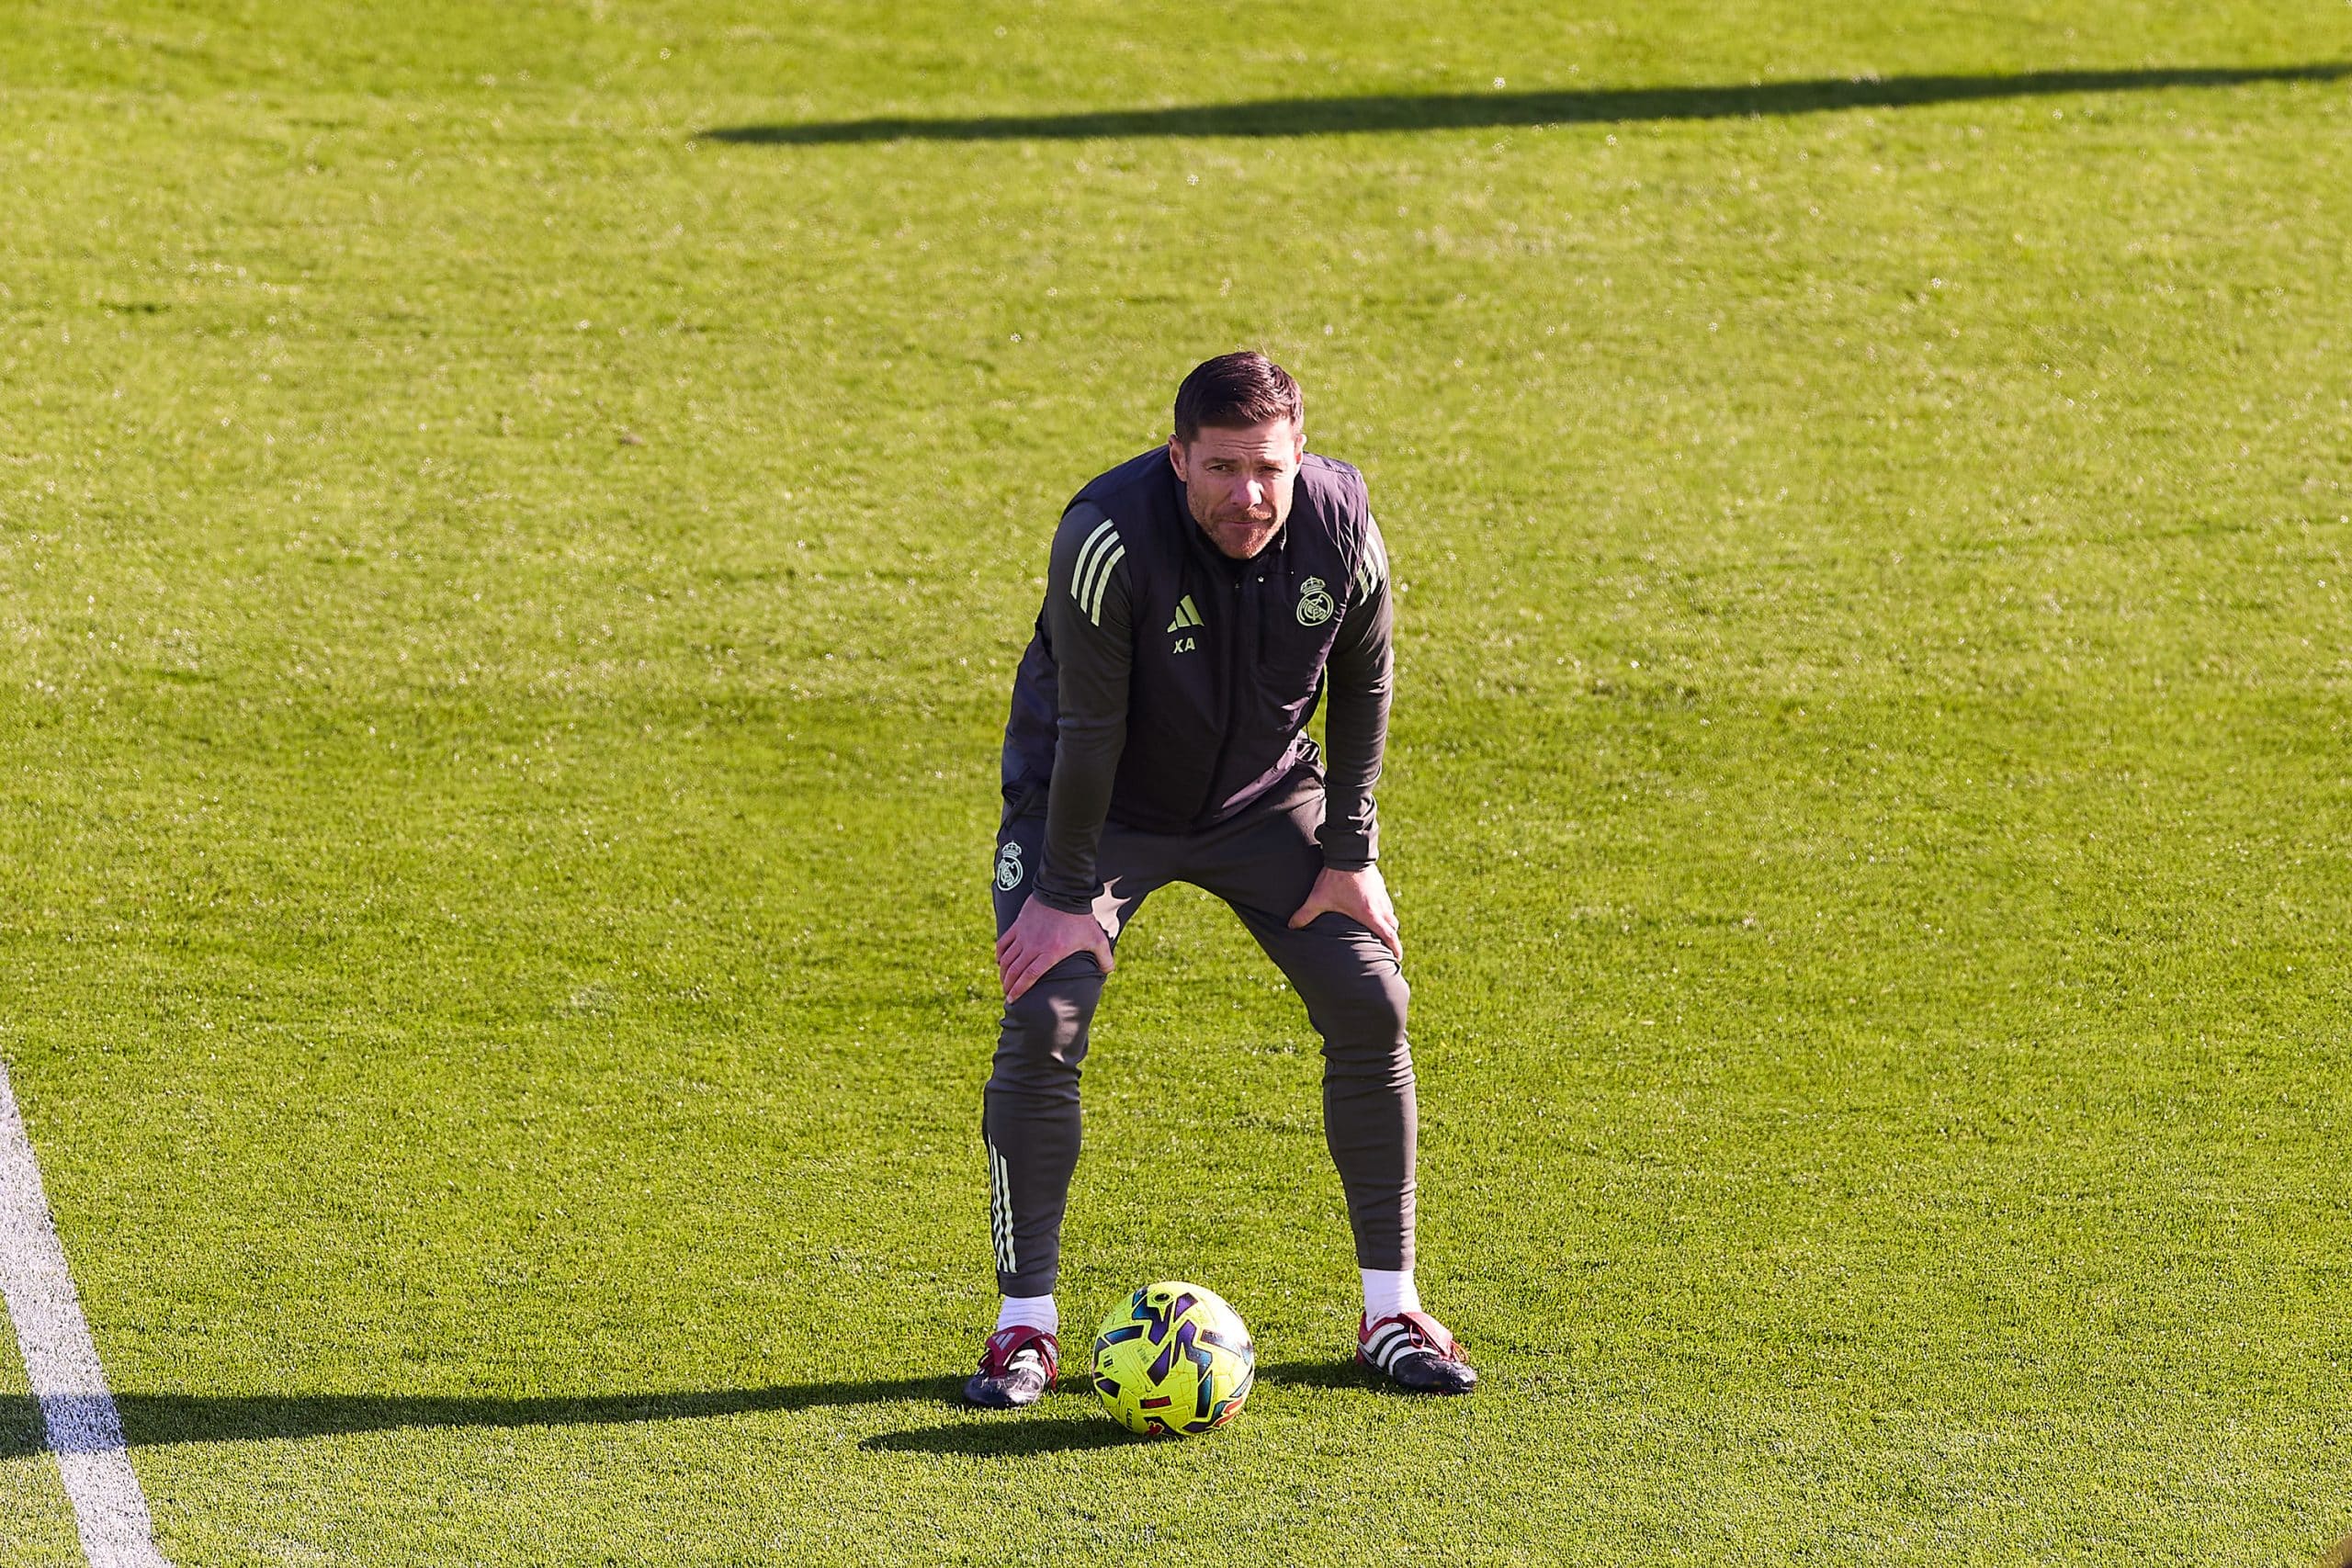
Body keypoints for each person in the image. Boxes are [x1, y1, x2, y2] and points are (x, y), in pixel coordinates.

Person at [967, 351, 1476, 1408]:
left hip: (1263, 801)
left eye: (1269, 468)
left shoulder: (1344, 529)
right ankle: (1025, 1330)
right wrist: (1066, 897)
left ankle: (1391, 1310)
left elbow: (1365, 682)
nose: (1250, 494)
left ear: (1299, 457)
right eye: (1223, 467)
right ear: (1178, 457)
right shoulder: (1106, 538)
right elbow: (1087, 728)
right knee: (1048, 1011)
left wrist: (1350, 854)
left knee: (1371, 993)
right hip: (1097, 809)